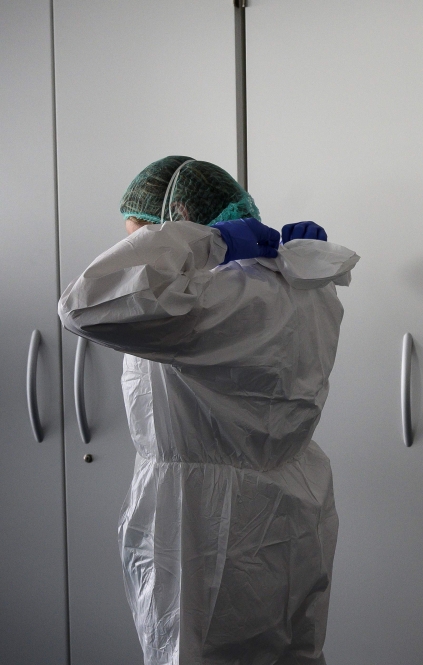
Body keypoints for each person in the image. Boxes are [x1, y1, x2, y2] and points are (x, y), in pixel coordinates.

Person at [59, 156, 360, 664]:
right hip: (293, 507)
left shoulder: (202, 301)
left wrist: (207, 244)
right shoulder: (302, 282)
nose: (135, 254)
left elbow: (83, 305)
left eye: (141, 240)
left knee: (193, 651)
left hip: (204, 524)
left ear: (174, 228)